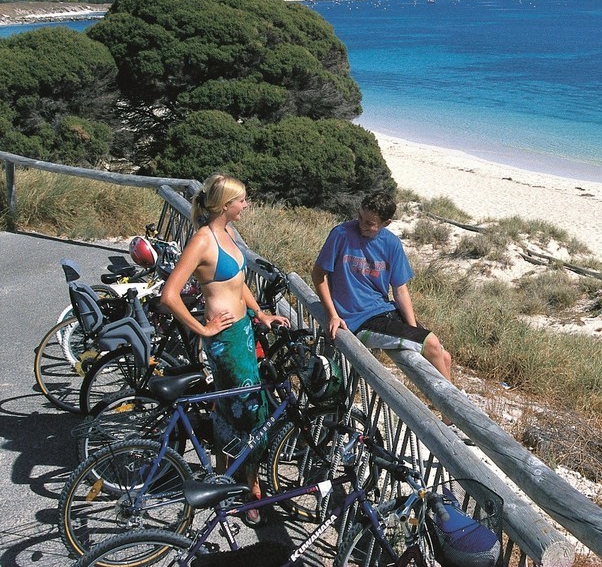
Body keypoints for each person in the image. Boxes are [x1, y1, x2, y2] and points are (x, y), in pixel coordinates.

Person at [159, 173, 288, 527]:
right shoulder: (202, 240)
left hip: (243, 332)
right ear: (225, 205)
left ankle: (224, 476)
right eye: (242, 200)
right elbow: (169, 295)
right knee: (252, 412)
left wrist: (261, 314)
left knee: (229, 407)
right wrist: (203, 328)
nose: (245, 205)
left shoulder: (227, 233)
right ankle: (250, 489)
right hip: (225, 341)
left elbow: (238, 283)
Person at [312, 191, 453, 383]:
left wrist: (413, 329)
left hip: (384, 310)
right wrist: (333, 314)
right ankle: (450, 412)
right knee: (433, 345)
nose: (362, 225)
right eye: (360, 217)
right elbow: (318, 274)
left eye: (369, 223)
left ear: (386, 223)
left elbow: (400, 289)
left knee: (445, 358)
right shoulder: (341, 234)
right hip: (358, 319)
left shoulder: (392, 243)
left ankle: (447, 410)